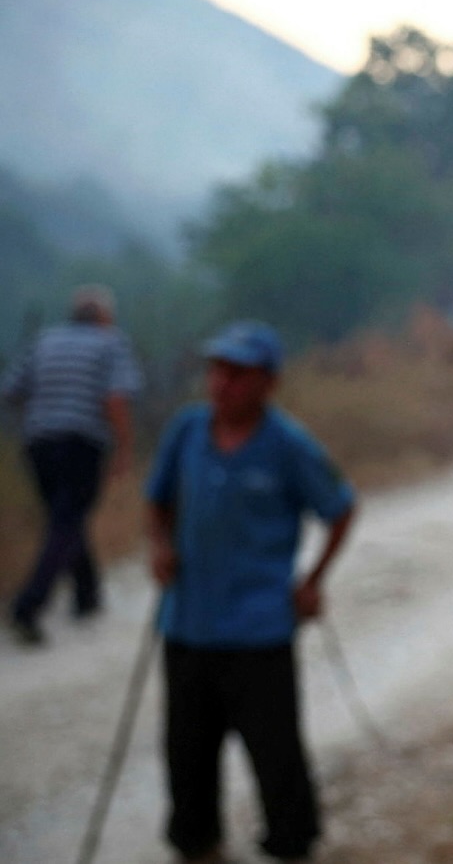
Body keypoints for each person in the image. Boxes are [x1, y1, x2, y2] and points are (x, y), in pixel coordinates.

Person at [146, 320, 356, 864]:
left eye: (238, 373)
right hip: (187, 622)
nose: (223, 383)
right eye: (217, 370)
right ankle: (197, 845)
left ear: (268, 382)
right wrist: (160, 547)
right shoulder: (187, 430)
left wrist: (312, 581)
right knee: (187, 751)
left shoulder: (288, 445)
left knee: (275, 752)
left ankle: (291, 845)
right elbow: (157, 499)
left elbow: (340, 509)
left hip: (259, 630)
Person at [2, 284, 142, 645]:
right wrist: (124, 448)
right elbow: (115, 399)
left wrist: (45, 408)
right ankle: (28, 606)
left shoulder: (44, 340)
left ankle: (87, 593)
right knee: (67, 520)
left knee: (64, 517)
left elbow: (12, 390)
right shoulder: (111, 343)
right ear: (105, 317)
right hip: (81, 442)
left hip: (38, 442)